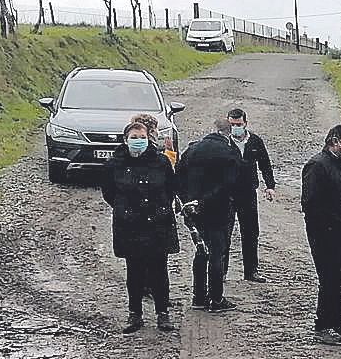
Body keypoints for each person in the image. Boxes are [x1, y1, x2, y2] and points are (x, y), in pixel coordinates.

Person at [102, 118, 179, 333]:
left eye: (142, 138)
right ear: (125, 140)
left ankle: (162, 313)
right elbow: (109, 193)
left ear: (148, 139)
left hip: (157, 224)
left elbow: (171, 187)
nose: (139, 141)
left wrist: (161, 208)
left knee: (159, 271)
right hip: (130, 225)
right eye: (134, 138)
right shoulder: (115, 165)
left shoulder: (160, 162)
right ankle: (135, 314)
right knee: (134, 272)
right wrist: (125, 209)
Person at [300, 124, 341, 343]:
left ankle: (337, 323)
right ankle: (323, 326)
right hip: (324, 234)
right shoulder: (317, 165)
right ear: (335, 141)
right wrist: (332, 224)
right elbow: (310, 204)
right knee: (328, 278)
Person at [177, 118, 241, 312]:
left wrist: (188, 201)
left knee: (201, 250)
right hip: (217, 209)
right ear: (227, 134)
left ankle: (198, 296)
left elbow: (178, 176)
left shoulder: (192, 150)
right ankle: (216, 298)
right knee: (217, 253)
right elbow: (230, 184)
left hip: (193, 209)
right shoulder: (228, 153)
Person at [226, 107, 275, 283]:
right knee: (225, 232)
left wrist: (270, 186)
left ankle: (251, 271)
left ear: (245, 123)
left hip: (248, 192)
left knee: (250, 232)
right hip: (227, 194)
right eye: (232, 124)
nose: (235, 128)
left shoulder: (255, 141)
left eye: (238, 124)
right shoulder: (223, 141)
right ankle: (221, 271)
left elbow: (265, 164)